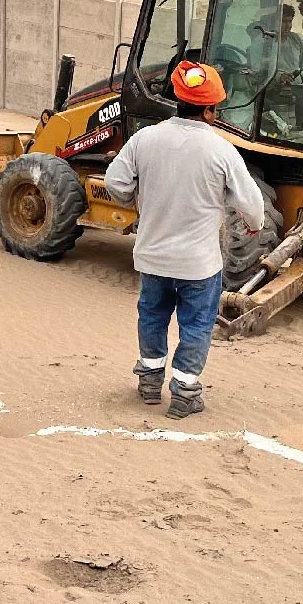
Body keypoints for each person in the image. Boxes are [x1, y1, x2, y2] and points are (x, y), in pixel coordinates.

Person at [104, 61, 266, 419]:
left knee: (152, 317)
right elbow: (253, 206)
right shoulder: (221, 150)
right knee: (196, 324)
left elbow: (115, 183)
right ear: (209, 110)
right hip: (198, 264)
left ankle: (149, 382)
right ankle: (185, 391)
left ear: (178, 98)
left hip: (152, 259)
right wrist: (253, 225)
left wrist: (134, 200)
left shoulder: (145, 138)